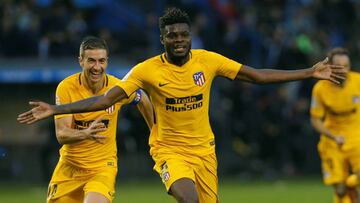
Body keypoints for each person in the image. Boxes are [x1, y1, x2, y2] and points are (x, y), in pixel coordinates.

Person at [18, 8, 346, 203]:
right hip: (170, 151)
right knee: (187, 198)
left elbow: (256, 75)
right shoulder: (145, 70)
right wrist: (57, 109)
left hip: (204, 151)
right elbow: (107, 99)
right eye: (172, 36)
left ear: (190, 37)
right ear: (163, 39)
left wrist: (309, 72)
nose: (178, 40)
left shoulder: (208, 61)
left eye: (183, 35)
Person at [43, 36, 153, 203]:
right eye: (91, 61)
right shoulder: (66, 88)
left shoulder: (117, 88)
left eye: (101, 61)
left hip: (102, 168)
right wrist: (85, 133)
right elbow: (62, 134)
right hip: (70, 168)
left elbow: (142, 97)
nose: (97, 67)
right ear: (81, 61)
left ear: (107, 61)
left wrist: (155, 130)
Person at [310, 47, 360, 203]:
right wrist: (332, 136)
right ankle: (346, 187)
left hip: (356, 137)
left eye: (347, 66)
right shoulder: (320, 89)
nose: (344, 70)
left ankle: (351, 183)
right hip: (332, 140)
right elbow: (315, 120)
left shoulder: (358, 81)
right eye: (340, 66)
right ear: (330, 67)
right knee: (340, 190)